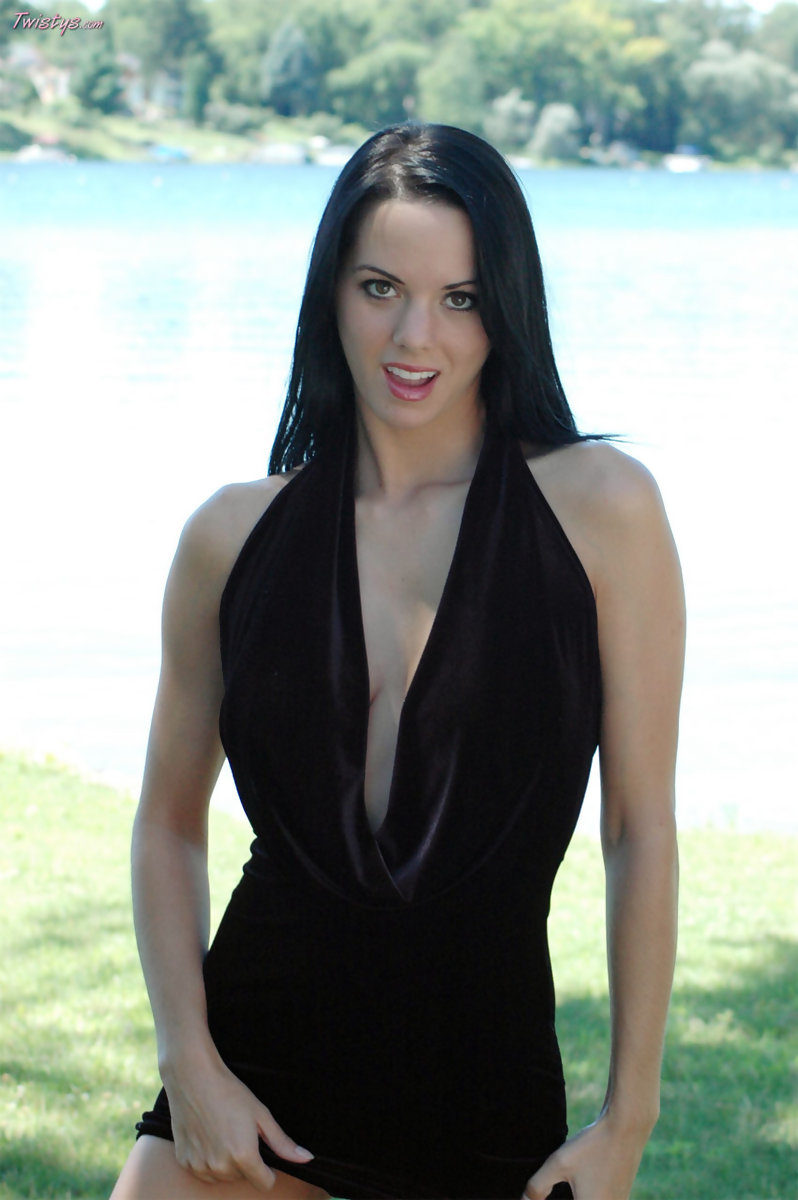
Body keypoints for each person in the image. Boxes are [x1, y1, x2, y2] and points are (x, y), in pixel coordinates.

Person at [111, 124, 683, 1200]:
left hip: (485, 1110)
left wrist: (629, 1119)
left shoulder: (603, 511)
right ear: (331, 291)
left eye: (460, 298)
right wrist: (190, 1062)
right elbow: (167, 823)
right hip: (248, 1103)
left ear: (506, 309)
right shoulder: (230, 537)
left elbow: (638, 828)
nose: (415, 337)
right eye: (381, 288)